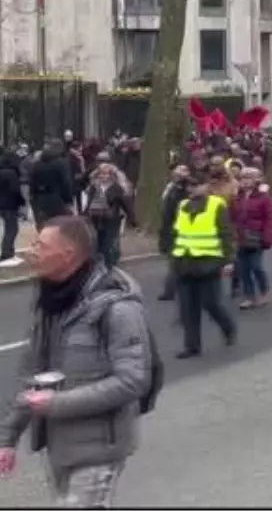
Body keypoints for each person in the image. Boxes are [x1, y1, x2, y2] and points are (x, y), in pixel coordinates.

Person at [0, 216, 152, 507]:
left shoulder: (117, 308)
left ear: (68, 254)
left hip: (99, 449)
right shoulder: (51, 302)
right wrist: (7, 438)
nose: (31, 251)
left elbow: (133, 381)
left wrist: (55, 404)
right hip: (59, 445)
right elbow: (31, 376)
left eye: (40, 245)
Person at [171, 174, 238, 359]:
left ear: (205, 186)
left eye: (195, 185)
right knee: (188, 308)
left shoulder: (216, 205)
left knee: (211, 304)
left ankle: (228, 327)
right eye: (189, 186)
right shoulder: (182, 206)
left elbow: (226, 234)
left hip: (208, 262)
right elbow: (178, 233)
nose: (191, 189)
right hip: (185, 263)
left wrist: (228, 261)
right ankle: (192, 346)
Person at [230, 168, 272, 309]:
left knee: (256, 266)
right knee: (243, 269)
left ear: (255, 180)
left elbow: (269, 219)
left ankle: (264, 291)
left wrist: (267, 238)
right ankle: (249, 296)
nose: (245, 181)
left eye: (248, 178)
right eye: (242, 179)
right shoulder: (237, 197)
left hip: (256, 237)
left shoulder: (263, 197)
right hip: (241, 237)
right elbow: (232, 216)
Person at [81, 164, 137, 268]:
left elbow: (124, 204)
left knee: (109, 241)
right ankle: (100, 263)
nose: (103, 176)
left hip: (111, 218)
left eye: (106, 174)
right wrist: (84, 214)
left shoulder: (116, 188)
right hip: (96, 218)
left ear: (111, 175)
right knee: (98, 241)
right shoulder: (94, 186)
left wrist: (132, 218)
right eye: (101, 174)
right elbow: (89, 202)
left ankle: (108, 264)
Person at [156, 164, 191, 301]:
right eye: (179, 169)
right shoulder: (170, 187)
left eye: (184, 169)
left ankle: (172, 290)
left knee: (178, 261)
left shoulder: (185, 189)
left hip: (181, 228)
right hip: (168, 227)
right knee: (176, 261)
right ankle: (173, 289)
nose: (181, 172)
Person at [0, 148, 25, 266]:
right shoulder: (12, 173)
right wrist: (21, 201)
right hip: (10, 205)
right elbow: (15, 190)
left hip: (2, 204)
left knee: (9, 228)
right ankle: (7, 252)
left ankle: (8, 250)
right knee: (12, 229)